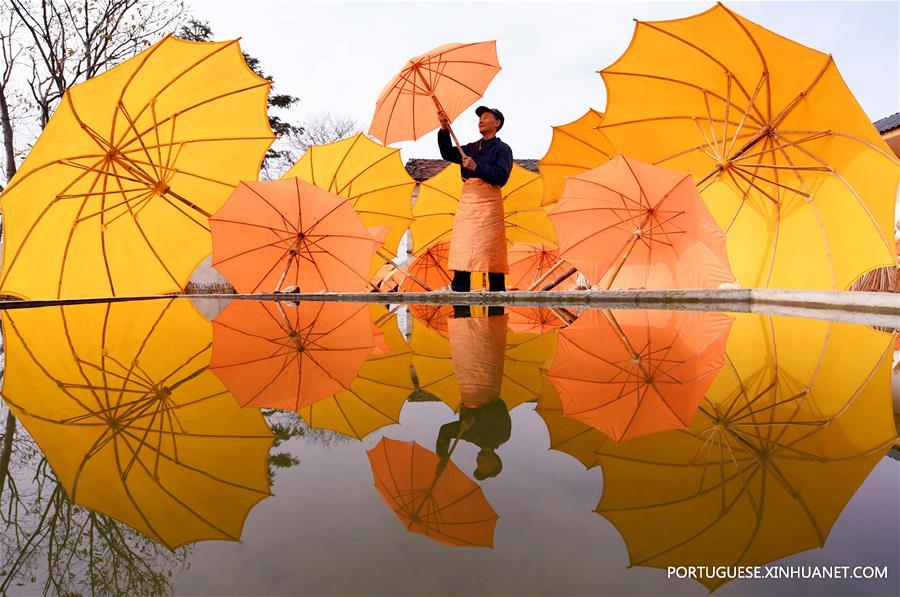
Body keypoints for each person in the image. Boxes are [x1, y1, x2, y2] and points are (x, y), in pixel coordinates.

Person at [437, 106, 513, 292]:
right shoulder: (471, 148)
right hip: (468, 203)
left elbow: (501, 176)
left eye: (486, 117)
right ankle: (460, 293)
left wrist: (476, 167)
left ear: (497, 123)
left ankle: (497, 299)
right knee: (464, 248)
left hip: (489, 205)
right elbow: (447, 153)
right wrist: (444, 130)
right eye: (480, 117)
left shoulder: (503, 149)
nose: (481, 120)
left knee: (492, 251)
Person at [435, 305, 511, 480]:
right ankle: (494, 300)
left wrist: (442, 456)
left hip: (467, 378)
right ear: (495, 461)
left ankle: (461, 303)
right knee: (491, 336)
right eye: (484, 466)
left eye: (478, 466)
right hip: (487, 378)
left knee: (463, 341)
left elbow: (445, 431)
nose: (479, 463)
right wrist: (475, 418)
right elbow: (499, 408)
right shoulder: (502, 435)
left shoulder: (470, 436)